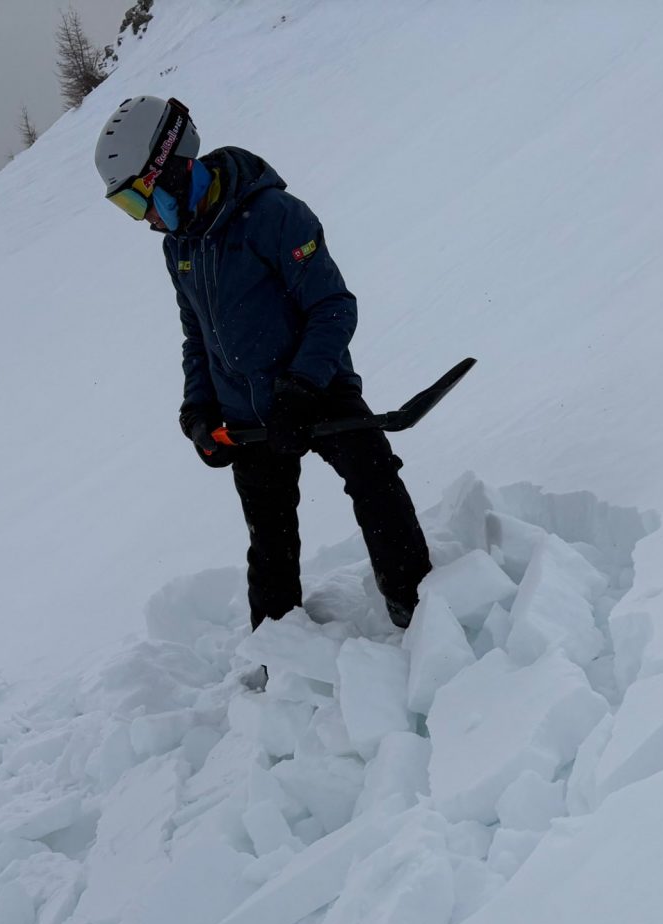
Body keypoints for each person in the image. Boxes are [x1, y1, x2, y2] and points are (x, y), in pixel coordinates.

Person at [94, 96, 432, 629]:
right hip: (247, 416)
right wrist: (199, 411)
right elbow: (196, 336)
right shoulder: (178, 247)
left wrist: (300, 386)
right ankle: (280, 660)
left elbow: (332, 306)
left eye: (140, 200)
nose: (147, 220)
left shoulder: (274, 215)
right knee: (270, 543)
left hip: (317, 390)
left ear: (172, 171)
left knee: (377, 484)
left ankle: (415, 610)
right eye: (130, 208)